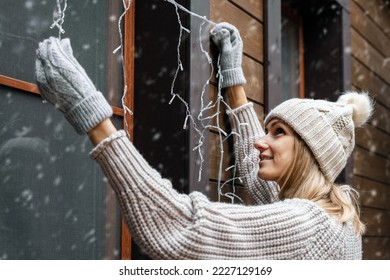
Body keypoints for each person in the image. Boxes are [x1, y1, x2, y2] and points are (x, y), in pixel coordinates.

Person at [35, 22, 373, 259]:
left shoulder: (304, 226)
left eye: (279, 133)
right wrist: (233, 80)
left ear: (310, 154)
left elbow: (178, 227)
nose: (260, 142)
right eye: (267, 130)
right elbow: (260, 181)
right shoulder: (340, 221)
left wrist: (91, 114)